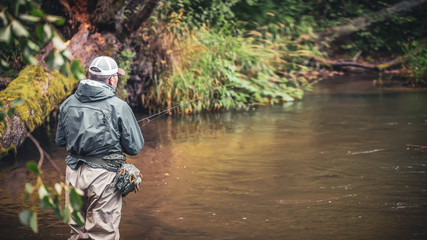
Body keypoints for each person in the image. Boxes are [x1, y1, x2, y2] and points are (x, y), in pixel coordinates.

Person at [56, 56, 144, 240]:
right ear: (112, 80)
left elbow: (60, 140)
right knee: (102, 234)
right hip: (103, 178)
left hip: (73, 174)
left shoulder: (68, 103)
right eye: (117, 77)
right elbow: (135, 147)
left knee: (77, 232)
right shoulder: (119, 107)